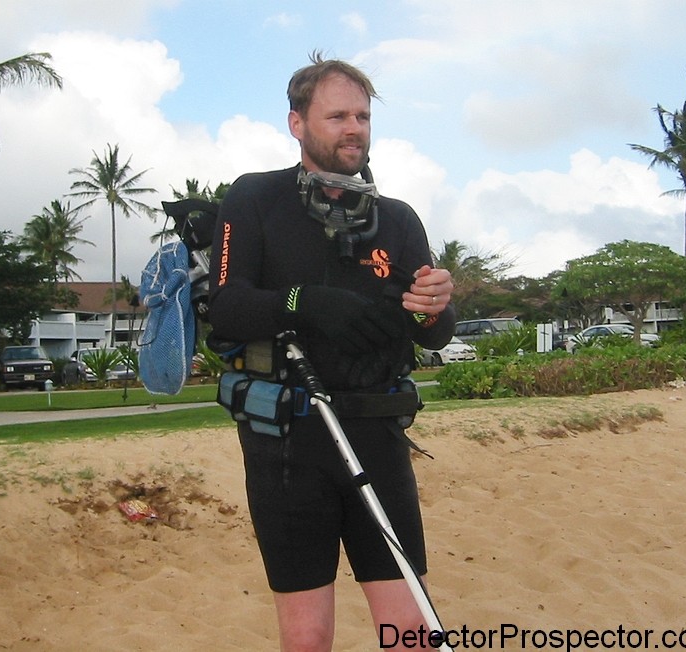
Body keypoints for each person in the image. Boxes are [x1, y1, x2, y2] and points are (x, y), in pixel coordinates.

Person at [207, 51, 456, 651]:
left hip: (377, 435)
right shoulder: (255, 199)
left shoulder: (396, 219)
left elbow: (434, 333)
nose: (353, 129)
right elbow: (227, 306)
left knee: (411, 633)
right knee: (308, 640)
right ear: (298, 124)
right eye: (337, 115)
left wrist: (436, 307)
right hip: (287, 445)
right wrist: (307, 303)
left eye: (363, 117)